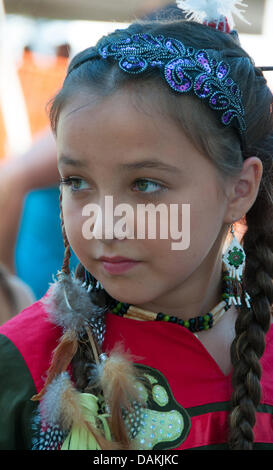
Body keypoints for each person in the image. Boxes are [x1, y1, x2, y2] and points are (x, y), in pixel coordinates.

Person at [0, 0, 273, 451]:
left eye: (145, 184)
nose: (104, 223)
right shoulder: (24, 365)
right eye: (77, 182)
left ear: (239, 188)